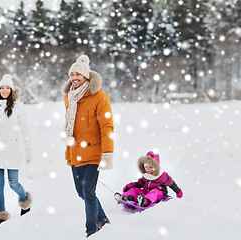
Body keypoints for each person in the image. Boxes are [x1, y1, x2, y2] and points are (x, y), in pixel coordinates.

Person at [63, 55, 114, 237]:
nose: (74, 77)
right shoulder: (69, 97)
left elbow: (107, 127)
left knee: (89, 193)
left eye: (78, 74)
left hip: (93, 152)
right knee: (81, 193)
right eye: (72, 74)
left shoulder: (100, 97)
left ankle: (91, 230)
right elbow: (71, 123)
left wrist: (108, 153)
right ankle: (102, 218)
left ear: (86, 76)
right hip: (75, 152)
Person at [0, 74, 32, 226]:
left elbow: (25, 130)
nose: (4, 90)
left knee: (13, 183)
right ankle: (1, 213)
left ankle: (24, 200)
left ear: (11, 90)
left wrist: (29, 151)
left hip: (13, 152)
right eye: (2, 88)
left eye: (7, 88)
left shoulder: (19, 107)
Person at [114, 151, 183, 207]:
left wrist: (178, 191)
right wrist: (131, 185)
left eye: (150, 167)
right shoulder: (146, 175)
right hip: (146, 191)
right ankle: (126, 197)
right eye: (146, 167)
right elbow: (141, 183)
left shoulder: (162, 175)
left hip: (159, 193)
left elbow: (171, 184)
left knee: (154, 192)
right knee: (135, 190)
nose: (147, 169)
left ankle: (144, 202)